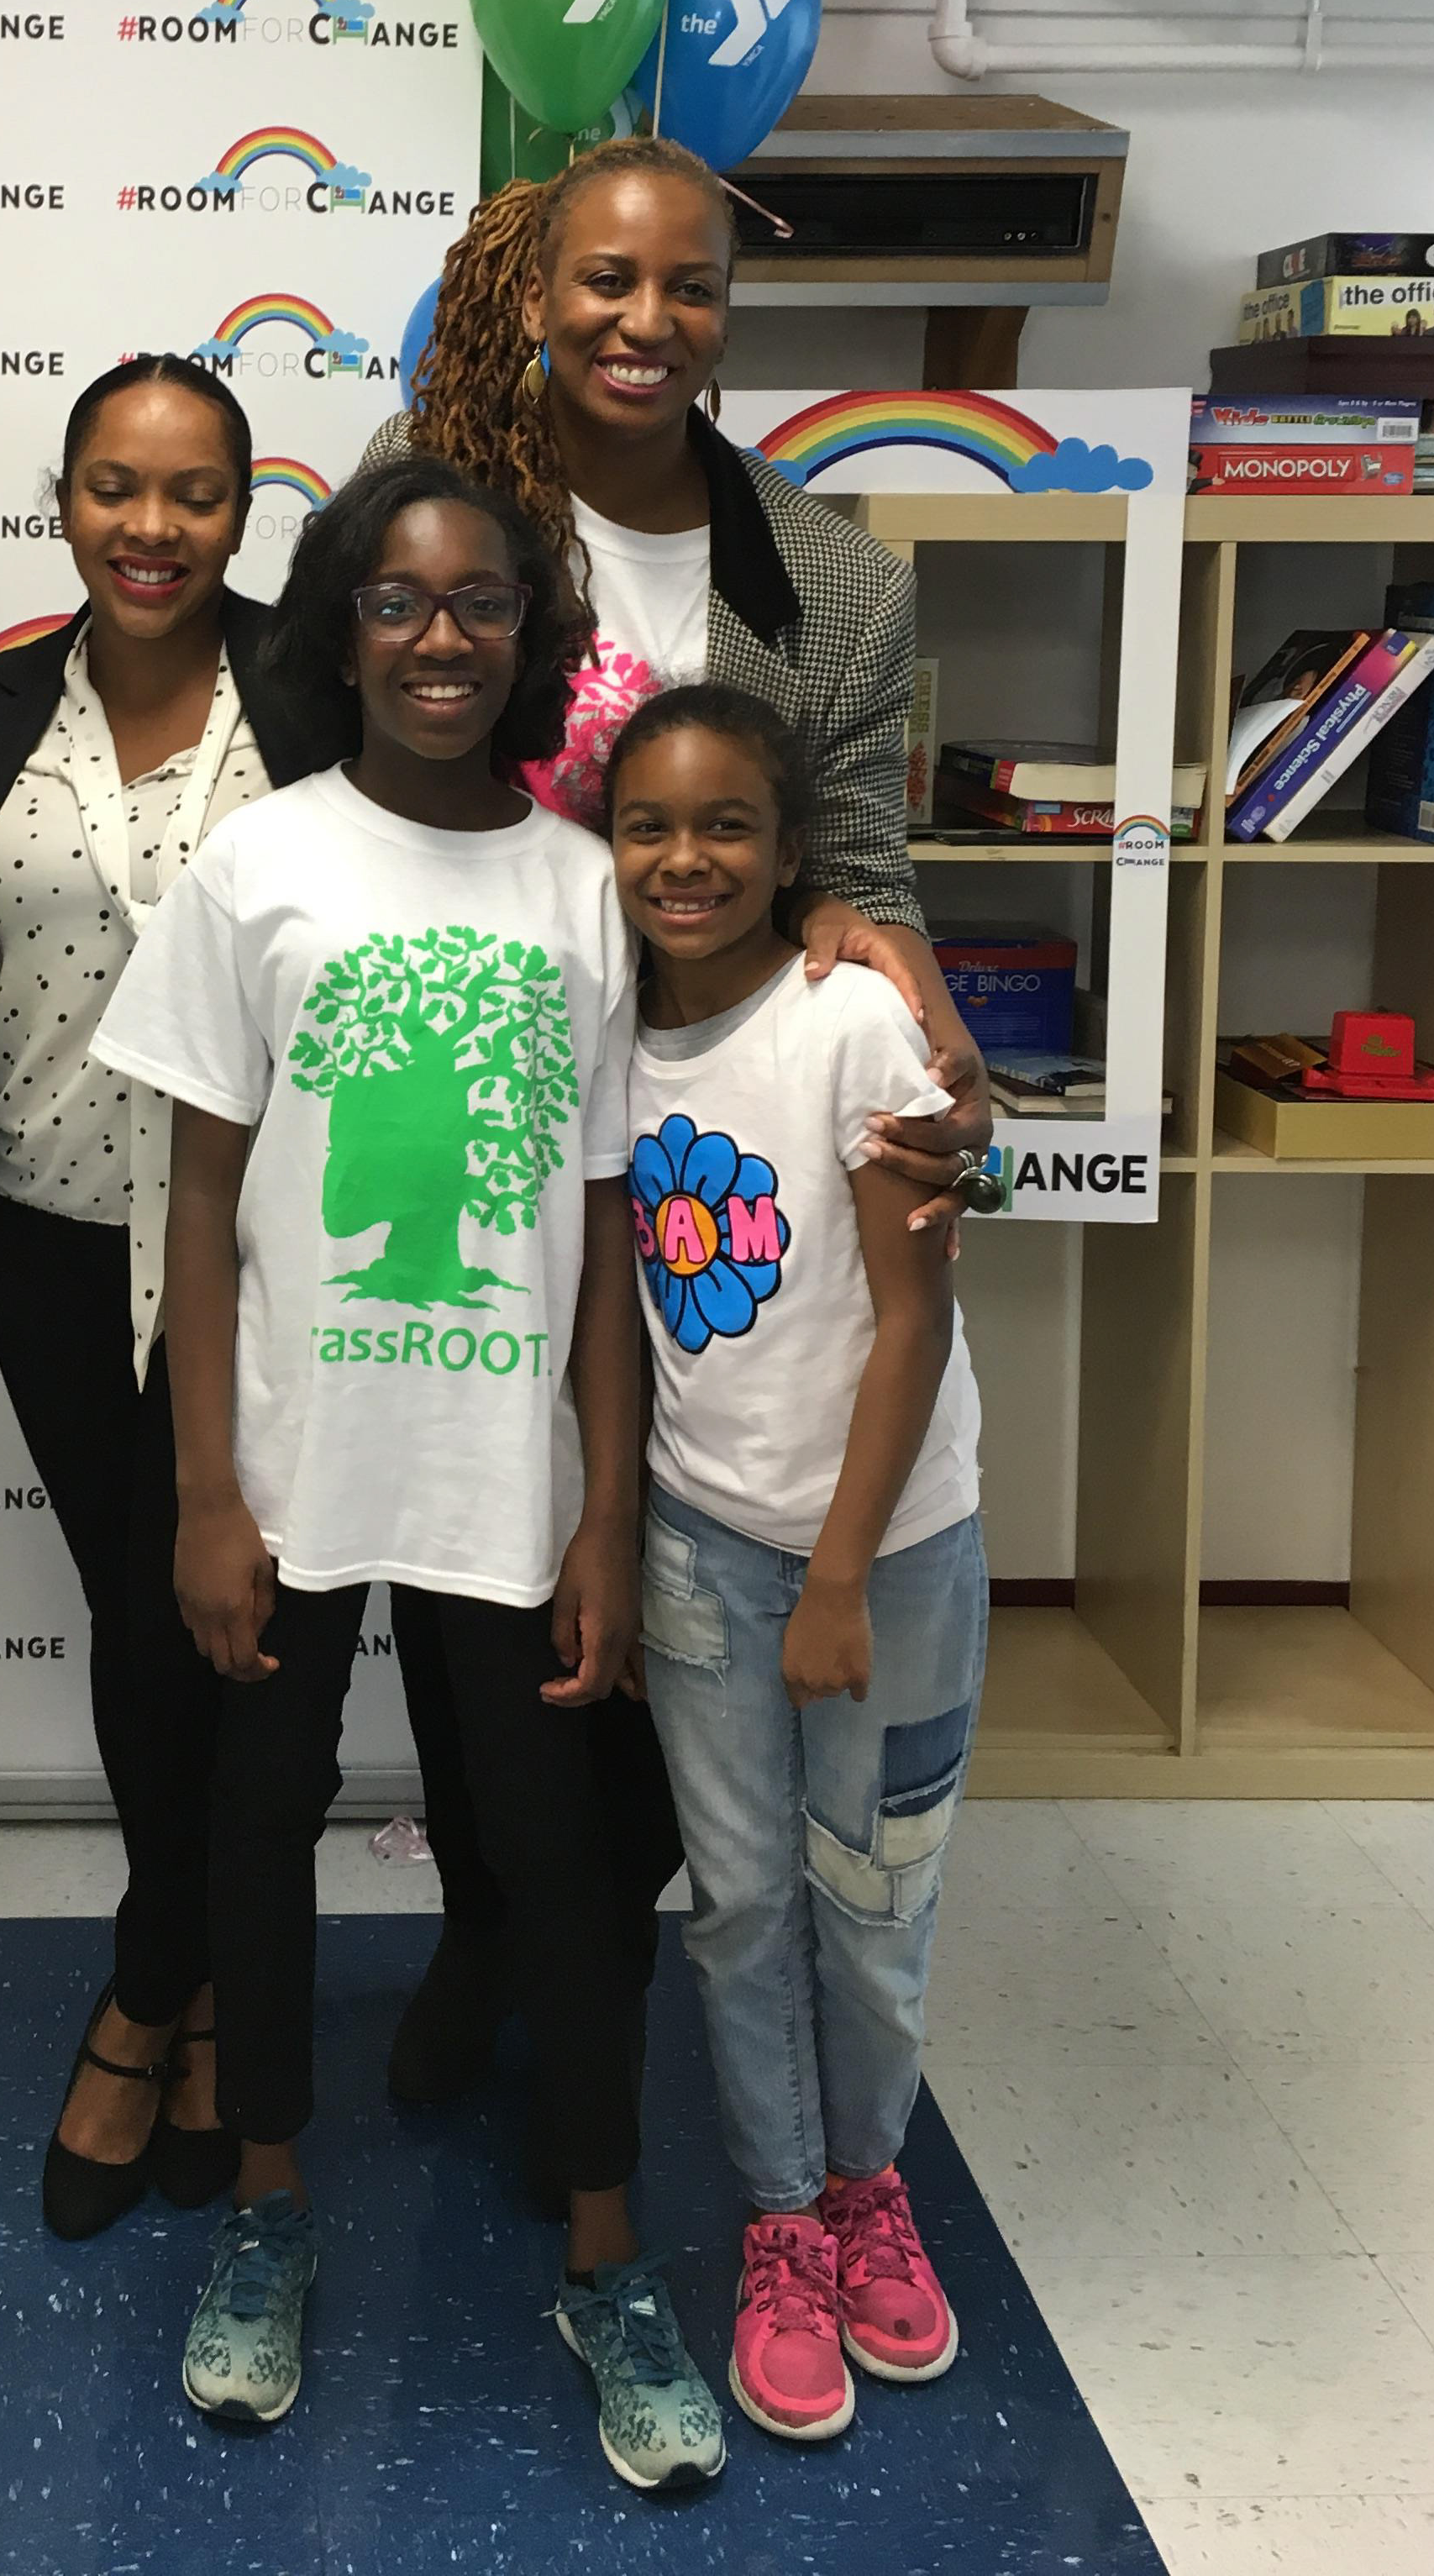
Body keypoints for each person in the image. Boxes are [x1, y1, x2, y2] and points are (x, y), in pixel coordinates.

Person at [93, 456, 727, 2495]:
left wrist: (608, 1514)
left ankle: (610, 2259)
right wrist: (204, 1491)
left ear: (532, 636)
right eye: (396, 601)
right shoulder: (257, 872)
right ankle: (270, 2210)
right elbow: (196, 1205)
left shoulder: (578, 886)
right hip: (294, 1469)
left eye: (480, 605)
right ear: (338, 628)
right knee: (252, 1838)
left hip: (506, 1475)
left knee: (561, 1864)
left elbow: (615, 1223)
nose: (440, 638)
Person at [365, 136, 991, 2117]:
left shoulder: (826, 574)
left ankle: (600, 1972)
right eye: (609, 283)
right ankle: (495, 1928)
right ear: (539, 294)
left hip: (719, 1145)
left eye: (692, 287)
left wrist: (945, 1051)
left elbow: (871, 862)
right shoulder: (457, 530)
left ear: (732, 308)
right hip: (481, 1112)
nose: (649, 324)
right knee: (488, 1565)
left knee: (680, 1575)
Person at [0, 354, 322, 2237]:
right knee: (142, 1632)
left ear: (247, 511)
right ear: (63, 501)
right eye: (115, 489)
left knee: (256, 1644)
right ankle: (202, 1979)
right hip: (57, 1244)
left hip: (274, 1249)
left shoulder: (320, 698)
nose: (153, 528)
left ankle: (156, 1994)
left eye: (196, 494)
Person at [607, 681, 984, 2444]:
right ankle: (779, 2220)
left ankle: (864, 2184)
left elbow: (912, 1323)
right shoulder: (609, 1031)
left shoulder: (855, 1025)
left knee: (876, 1896)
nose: (688, 860)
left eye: (728, 828)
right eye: (651, 827)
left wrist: (837, 1576)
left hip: (886, 1556)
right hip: (701, 1545)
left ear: (789, 851)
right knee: (746, 1903)